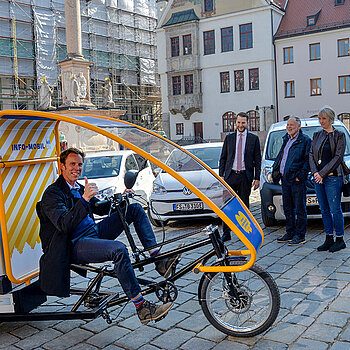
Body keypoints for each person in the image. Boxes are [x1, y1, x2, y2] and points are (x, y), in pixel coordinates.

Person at [37, 148, 178, 324]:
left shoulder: (78, 187)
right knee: (119, 250)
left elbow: (100, 207)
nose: (77, 168)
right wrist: (84, 199)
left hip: (93, 233)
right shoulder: (53, 193)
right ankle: (142, 307)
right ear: (62, 166)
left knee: (133, 209)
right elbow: (64, 225)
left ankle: (159, 261)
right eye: (72, 164)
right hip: (73, 244)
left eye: (80, 164)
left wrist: (118, 197)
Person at [309, 106, 349, 252]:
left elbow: (338, 158)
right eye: (319, 118)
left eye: (324, 118)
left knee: (335, 209)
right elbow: (311, 155)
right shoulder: (316, 135)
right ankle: (328, 238)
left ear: (331, 119)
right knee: (324, 209)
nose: (321, 121)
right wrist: (315, 173)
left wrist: (322, 174)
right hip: (318, 179)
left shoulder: (339, 135)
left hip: (333, 178)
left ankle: (340, 239)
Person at [219, 112, 262, 242]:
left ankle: (245, 234)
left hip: (245, 176)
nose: (240, 125)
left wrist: (257, 177)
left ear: (247, 123)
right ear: (235, 123)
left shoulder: (253, 139)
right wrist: (221, 176)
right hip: (230, 176)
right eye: (238, 122)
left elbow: (257, 160)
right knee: (227, 205)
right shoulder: (229, 138)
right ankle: (226, 233)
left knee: (244, 206)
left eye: (243, 122)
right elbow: (223, 157)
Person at [272, 117, 311, 246]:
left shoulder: (305, 140)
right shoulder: (286, 139)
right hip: (285, 179)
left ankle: (300, 235)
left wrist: (300, 175)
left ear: (299, 126)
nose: (289, 127)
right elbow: (282, 157)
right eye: (288, 125)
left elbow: (308, 161)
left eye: (292, 125)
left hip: (297, 180)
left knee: (300, 208)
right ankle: (290, 232)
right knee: (288, 208)